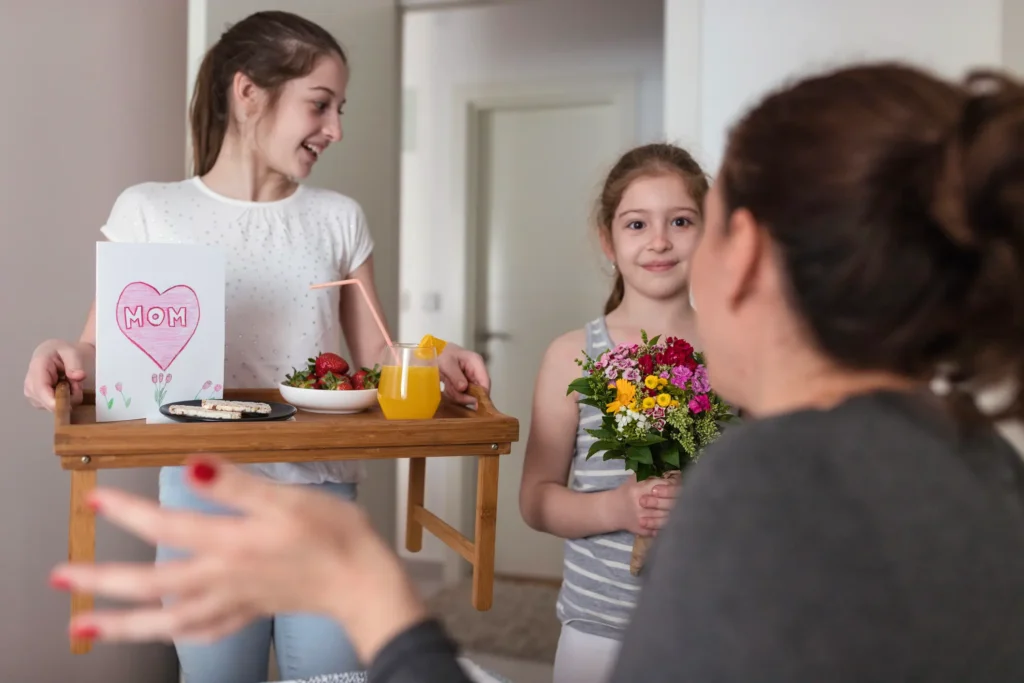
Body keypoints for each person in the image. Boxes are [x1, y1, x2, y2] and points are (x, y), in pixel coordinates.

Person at [49, 62, 1024, 682]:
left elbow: (382, 347)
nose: (666, 247)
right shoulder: (984, 463)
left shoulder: (765, 486)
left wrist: (382, 609)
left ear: (746, 253)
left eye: (697, 217)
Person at [25, 10, 488, 683]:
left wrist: (428, 357)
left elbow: (376, 357)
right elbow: (106, 359)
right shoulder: (149, 210)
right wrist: (60, 352)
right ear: (248, 94)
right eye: (320, 104)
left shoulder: (338, 218)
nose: (335, 129)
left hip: (323, 497)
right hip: (202, 497)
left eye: (340, 108)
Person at [518, 143, 705, 683]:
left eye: (681, 220)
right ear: (608, 240)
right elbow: (536, 499)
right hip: (600, 630)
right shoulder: (574, 355)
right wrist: (617, 510)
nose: (660, 241)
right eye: (637, 224)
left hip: (713, 621)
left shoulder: (737, 351)